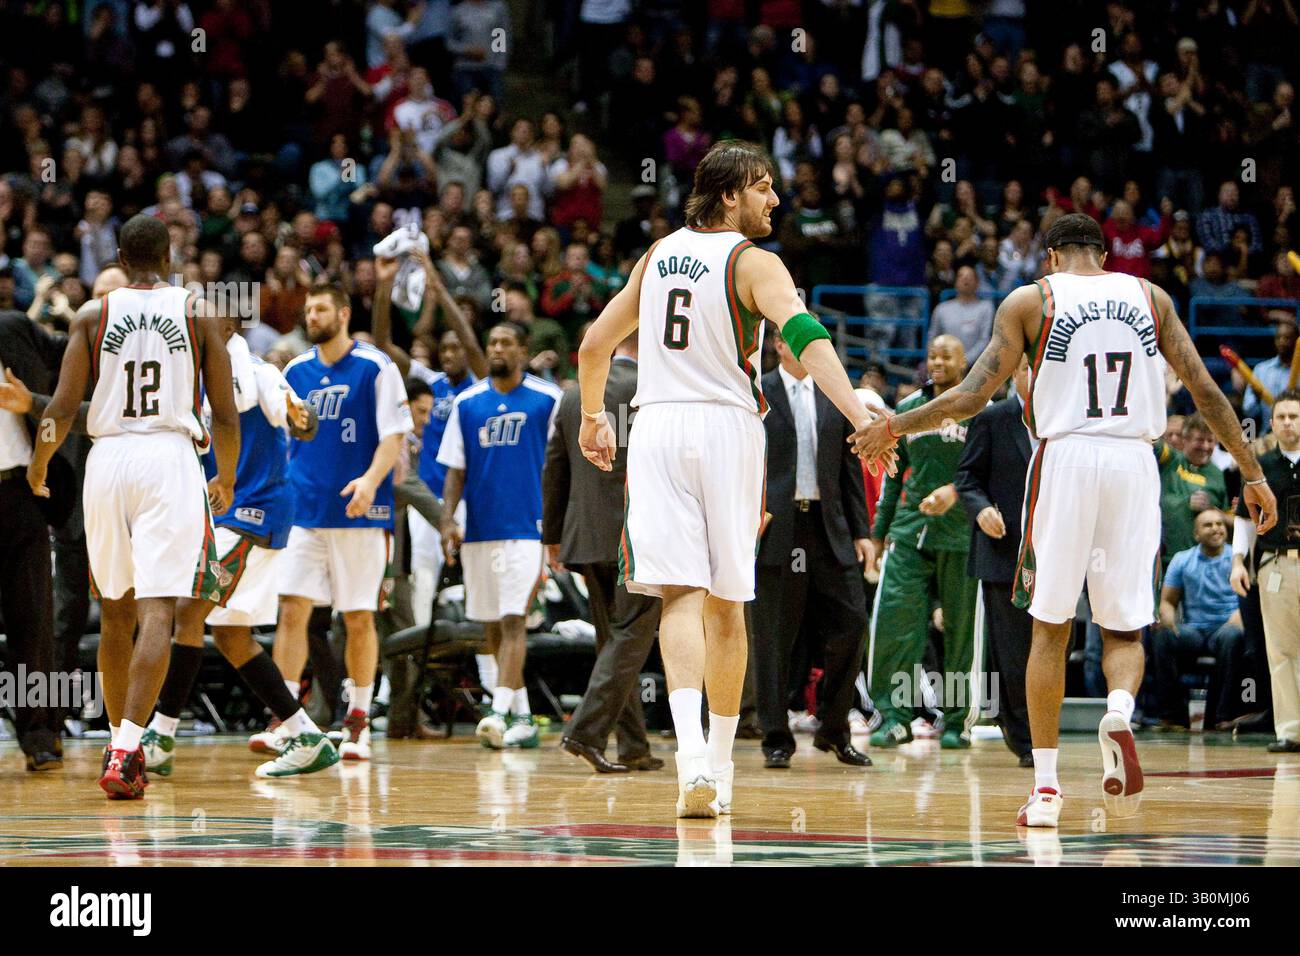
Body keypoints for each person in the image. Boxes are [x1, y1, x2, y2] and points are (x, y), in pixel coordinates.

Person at [850, 213, 1276, 829]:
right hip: (1134, 462)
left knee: (1049, 629)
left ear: (1049, 256)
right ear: (1105, 255)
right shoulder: (1150, 296)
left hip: (1066, 458)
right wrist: (1252, 476)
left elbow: (971, 395)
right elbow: (1206, 391)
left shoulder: (1032, 300)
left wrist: (893, 424)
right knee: (1126, 629)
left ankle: (1046, 791)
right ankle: (1120, 713)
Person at [575, 140, 875, 819]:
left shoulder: (654, 258)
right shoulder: (753, 261)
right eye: (765, 187)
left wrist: (595, 417)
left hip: (654, 428)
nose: (775, 199)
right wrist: (860, 417)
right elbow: (805, 336)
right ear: (732, 192)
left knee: (677, 597)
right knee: (728, 604)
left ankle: (688, 766)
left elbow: (595, 344)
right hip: (725, 428)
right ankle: (719, 769)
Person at [28, 214, 240, 798]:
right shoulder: (197, 312)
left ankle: (119, 744)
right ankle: (126, 747)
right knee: (158, 612)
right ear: (171, 258)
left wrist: (40, 463)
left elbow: (65, 406)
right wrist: (226, 474)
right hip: (168, 459)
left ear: (118, 257)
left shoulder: (94, 314)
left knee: (114, 609)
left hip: (107, 460)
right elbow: (224, 411)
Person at [139, 310, 338, 779]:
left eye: (198, 321)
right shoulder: (189, 379)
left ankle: (161, 735)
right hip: (219, 515)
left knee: (188, 613)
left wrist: (301, 415)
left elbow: (301, 421)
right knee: (229, 635)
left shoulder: (261, 375)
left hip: (255, 511)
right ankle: (305, 735)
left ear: (228, 328)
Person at [271, 285, 413, 762]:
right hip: (305, 511)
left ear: (344, 313)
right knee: (292, 609)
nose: (312, 315)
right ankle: (284, 718)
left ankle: (358, 719)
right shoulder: (295, 370)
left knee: (357, 616)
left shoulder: (376, 367)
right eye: (307, 309)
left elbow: (394, 436)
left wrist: (372, 481)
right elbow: (287, 440)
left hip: (359, 512)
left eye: (322, 308)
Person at [544, 332, 664, 772]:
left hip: (585, 535)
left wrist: (553, 535)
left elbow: (554, 465)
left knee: (612, 641)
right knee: (632, 635)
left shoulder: (574, 394)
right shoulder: (654, 389)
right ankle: (586, 733)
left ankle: (633, 745)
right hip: (640, 532)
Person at [753, 328, 872, 770]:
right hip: (776, 526)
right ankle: (776, 736)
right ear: (779, 346)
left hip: (828, 525)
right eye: (792, 339)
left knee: (852, 623)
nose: (802, 347)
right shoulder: (757, 390)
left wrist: (862, 531)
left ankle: (834, 728)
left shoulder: (831, 389)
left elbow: (849, 466)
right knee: (774, 637)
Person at [438, 322, 561, 749]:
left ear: (524, 352)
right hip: (480, 529)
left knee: (513, 620)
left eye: (506, 342)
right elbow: (455, 469)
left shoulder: (548, 399)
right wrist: (447, 519)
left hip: (528, 528)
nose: (497, 348)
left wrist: (558, 523)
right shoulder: (467, 403)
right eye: (492, 341)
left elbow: (559, 469)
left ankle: (498, 709)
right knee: (490, 623)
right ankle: (523, 718)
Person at [866, 335, 981, 750]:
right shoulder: (910, 410)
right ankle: (895, 717)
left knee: (959, 631)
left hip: (963, 533)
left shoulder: (978, 410)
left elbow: (985, 472)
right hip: (909, 530)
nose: (937, 362)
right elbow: (893, 479)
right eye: (932, 355)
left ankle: (956, 721)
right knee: (897, 625)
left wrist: (954, 490)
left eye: (946, 356)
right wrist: (879, 534)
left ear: (964, 362)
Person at [954, 354, 1036, 766]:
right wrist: (981, 508)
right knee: (1013, 649)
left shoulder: (1067, 423)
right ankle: (1024, 739)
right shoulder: (993, 419)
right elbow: (966, 478)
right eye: (1027, 369)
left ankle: (1042, 732)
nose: (1035, 377)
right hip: (1004, 552)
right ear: (1015, 374)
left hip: (1056, 553)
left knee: (1051, 644)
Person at [1232, 390, 1300, 753]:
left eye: (1295, 415)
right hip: (1275, 562)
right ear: (1272, 424)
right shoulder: (1259, 468)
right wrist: (1237, 562)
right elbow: (1243, 519)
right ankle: (1290, 730)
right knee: (1280, 649)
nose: (1289, 422)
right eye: (1283, 417)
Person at [1153, 509, 1248, 730]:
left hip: (1227, 626)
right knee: (1163, 635)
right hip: (1194, 630)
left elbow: (1249, 599)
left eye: (1219, 524)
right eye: (1208, 525)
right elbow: (1167, 601)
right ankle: (1173, 717)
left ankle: (1222, 716)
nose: (1216, 528)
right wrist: (1166, 617)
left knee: (1233, 636)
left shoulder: (1237, 558)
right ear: (1196, 534)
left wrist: (1240, 614)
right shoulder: (1182, 560)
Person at [1156, 413, 1227, 568]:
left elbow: (1230, 520)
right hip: (1163, 557)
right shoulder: (1170, 459)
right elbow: (1151, 442)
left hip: (1200, 563)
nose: (1206, 446)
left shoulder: (1218, 475)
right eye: (1200, 440)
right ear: (1185, 440)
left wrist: (1211, 510)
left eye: (1210, 441)